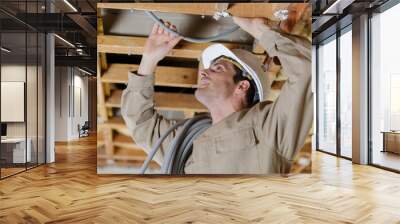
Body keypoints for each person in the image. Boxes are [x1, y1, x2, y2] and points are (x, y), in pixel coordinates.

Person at [121, 17, 312, 174]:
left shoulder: (269, 127)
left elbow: (308, 71)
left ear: (242, 86)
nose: (203, 72)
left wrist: (263, 32)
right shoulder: (187, 142)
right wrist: (149, 59)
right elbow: (142, 124)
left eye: (216, 68)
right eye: (215, 68)